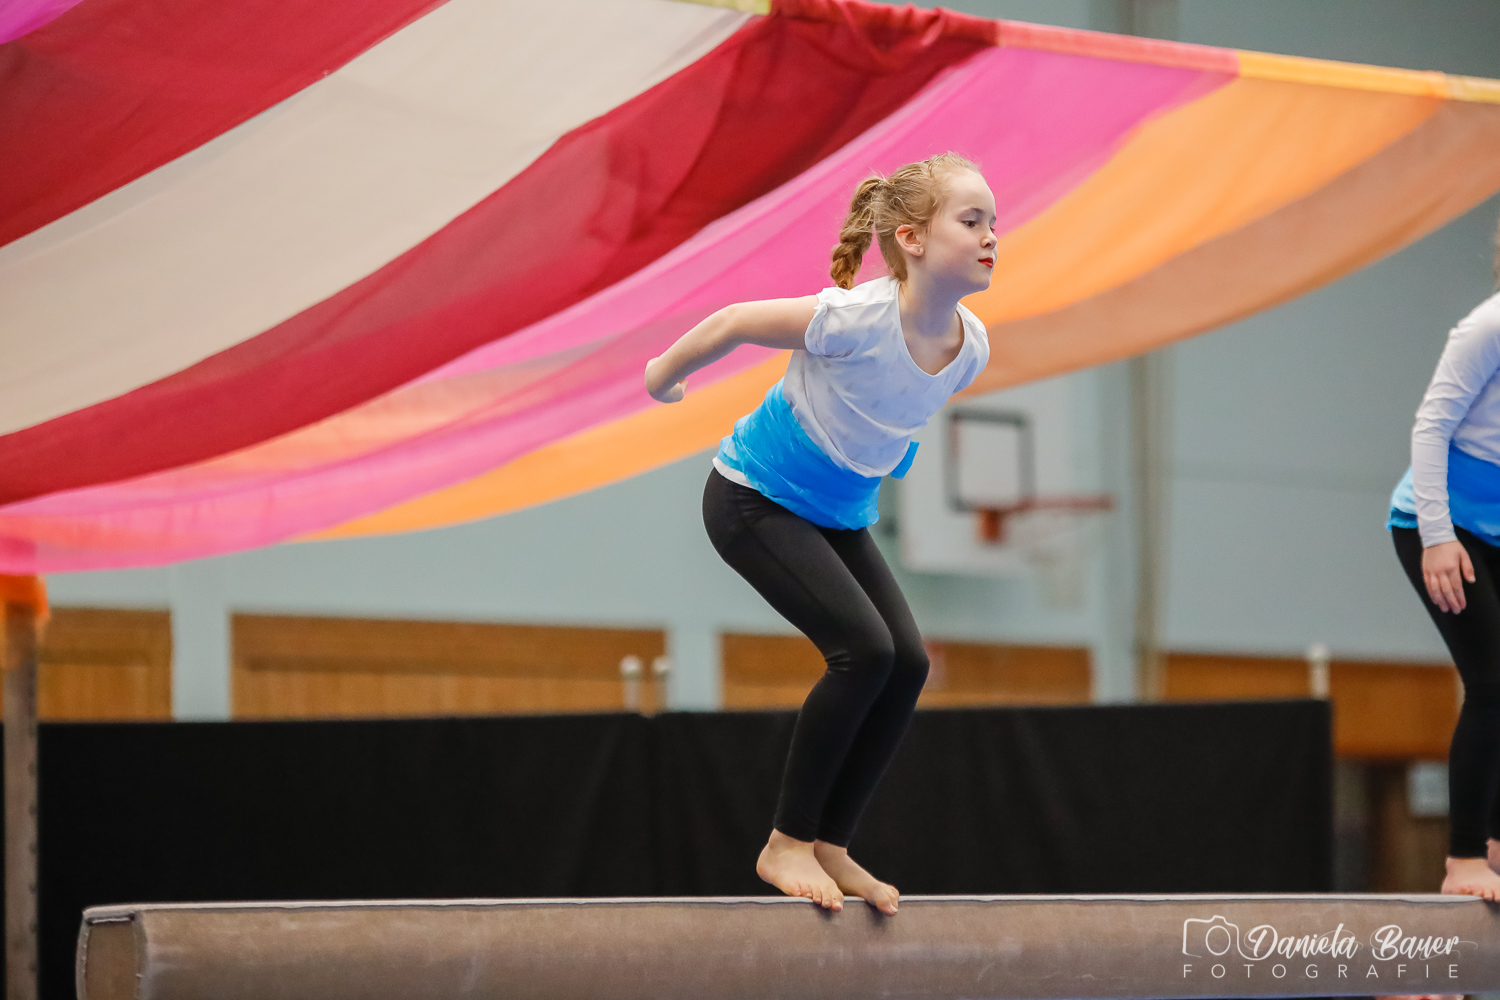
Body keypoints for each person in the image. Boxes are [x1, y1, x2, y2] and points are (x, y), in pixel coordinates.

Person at [643, 153, 995, 915]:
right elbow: (735, 321)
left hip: (836, 515)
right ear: (911, 239)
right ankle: (787, 841)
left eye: (993, 222)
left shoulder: (970, 348)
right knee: (864, 651)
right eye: (971, 220)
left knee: (905, 663)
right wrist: (662, 374)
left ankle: (831, 842)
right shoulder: (854, 319)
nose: (991, 235)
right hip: (753, 499)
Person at [1388, 214, 1500, 900]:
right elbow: (1431, 427)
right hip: (1440, 523)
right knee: (1492, 680)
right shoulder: (1488, 327)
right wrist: (1436, 536)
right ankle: (1463, 859)